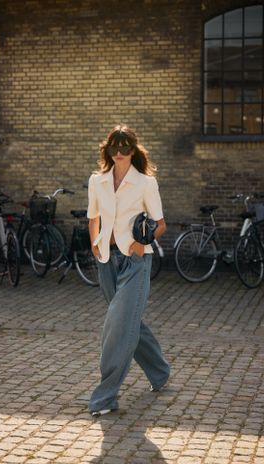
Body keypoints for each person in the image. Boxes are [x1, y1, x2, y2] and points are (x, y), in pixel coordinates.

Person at [87, 124, 170, 417]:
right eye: (114, 147)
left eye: (125, 148)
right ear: (108, 150)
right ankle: (160, 372)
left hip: (136, 261)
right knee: (129, 321)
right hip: (107, 260)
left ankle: (104, 397)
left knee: (118, 325)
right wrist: (95, 244)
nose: (120, 153)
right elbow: (93, 216)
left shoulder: (146, 183)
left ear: (133, 151)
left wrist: (139, 243)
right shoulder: (97, 181)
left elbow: (160, 224)